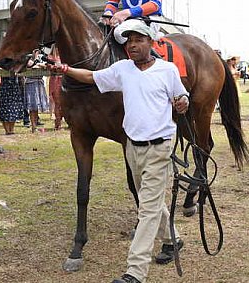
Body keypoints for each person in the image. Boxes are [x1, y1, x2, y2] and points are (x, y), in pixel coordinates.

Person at [47, 19, 189, 283]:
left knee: (146, 208)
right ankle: (173, 239)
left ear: (151, 42)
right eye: (129, 41)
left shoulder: (167, 70)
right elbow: (91, 77)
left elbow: (182, 96)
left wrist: (182, 102)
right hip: (133, 148)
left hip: (159, 148)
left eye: (138, 40)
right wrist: (64, 68)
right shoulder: (123, 69)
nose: (132, 45)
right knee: (152, 201)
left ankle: (135, 272)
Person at [24, 50, 49, 133]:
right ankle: (33, 127)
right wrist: (36, 61)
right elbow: (30, 65)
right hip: (31, 82)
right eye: (35, 51)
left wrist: (40, 64)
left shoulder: (42, 58)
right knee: (32, 105)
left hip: (39, 82)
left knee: (37, 105)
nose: (37, 52)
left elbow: (46, 65)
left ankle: (35, 125)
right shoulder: (28, 58)